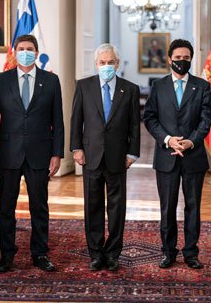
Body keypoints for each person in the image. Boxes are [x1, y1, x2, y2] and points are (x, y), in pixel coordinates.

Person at [0, 34, 64, 273]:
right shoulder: (1, 80)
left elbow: (58, 120)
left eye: (29, 49)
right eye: (21, 48)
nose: (25, 52)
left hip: (40, 153)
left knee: (39, 206)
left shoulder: (51, 81)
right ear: (14, 52)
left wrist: (57, 153)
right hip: (8, 154)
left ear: (36, 51)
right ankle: (6, 255)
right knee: (6, 207)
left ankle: (40, 254)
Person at [143, 39, 211, 270]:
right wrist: (168, 140)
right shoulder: (159, 86)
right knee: (168, 207)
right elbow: (150, 117)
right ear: (169, 59)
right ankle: (168, 252)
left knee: (193, 206)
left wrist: (191, 142)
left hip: (193, 156)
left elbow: (206, 118)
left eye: (186, 58)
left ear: (191, 59)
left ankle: (191, 252)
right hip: (166, 156)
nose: (182, 61)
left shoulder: (202, 86)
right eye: (178, 58)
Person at [70, 43, 140, 272]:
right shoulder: (83, 86)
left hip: (118, 157)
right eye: (103, 62)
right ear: (96, 64)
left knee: (117, 207)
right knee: (93, 206)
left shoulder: (129, 89)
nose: (107, 66)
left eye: (111, 62)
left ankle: (113, 253)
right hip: (90, 156)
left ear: (117, 64)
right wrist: (76, 148)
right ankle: (95, 253)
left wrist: (132, 153)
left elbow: (134, 126)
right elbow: (75, 121)